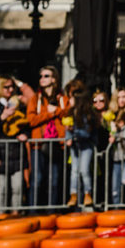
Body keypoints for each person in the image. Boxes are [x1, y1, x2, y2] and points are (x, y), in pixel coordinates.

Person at [26, 66, 70, 207]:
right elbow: (31, 120)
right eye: (41, 76)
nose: (42, 79)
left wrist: (56, 111)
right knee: (37, 179)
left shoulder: (63, 99)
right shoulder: (35, 99)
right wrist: (49, 114)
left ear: (54, 79)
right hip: (39, 144)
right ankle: (33, 209)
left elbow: (68, 117)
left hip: (57, 143)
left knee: (55, 179)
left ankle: (53, 210)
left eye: (46, 76)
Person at [0, 75, 30, 209]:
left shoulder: (19, 104)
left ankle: (16, 213)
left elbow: (28, 123)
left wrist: (24, 134)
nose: (10, 90)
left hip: (17, 152)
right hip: (0, 151)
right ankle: (0, 214)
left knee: (17, 187)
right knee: (1, 188)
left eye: (12, 87)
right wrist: (3, 117)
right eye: (6, 87)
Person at [66, 86, 108, 208]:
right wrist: (68, 137)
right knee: (74, 171)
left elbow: (86, 133)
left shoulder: (88, 115)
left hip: (86, 146)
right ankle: (73, 194)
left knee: (84, 170)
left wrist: (73, 132)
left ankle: (87, 193)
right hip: (75, 146)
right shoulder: (71, 113)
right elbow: (67, 129)